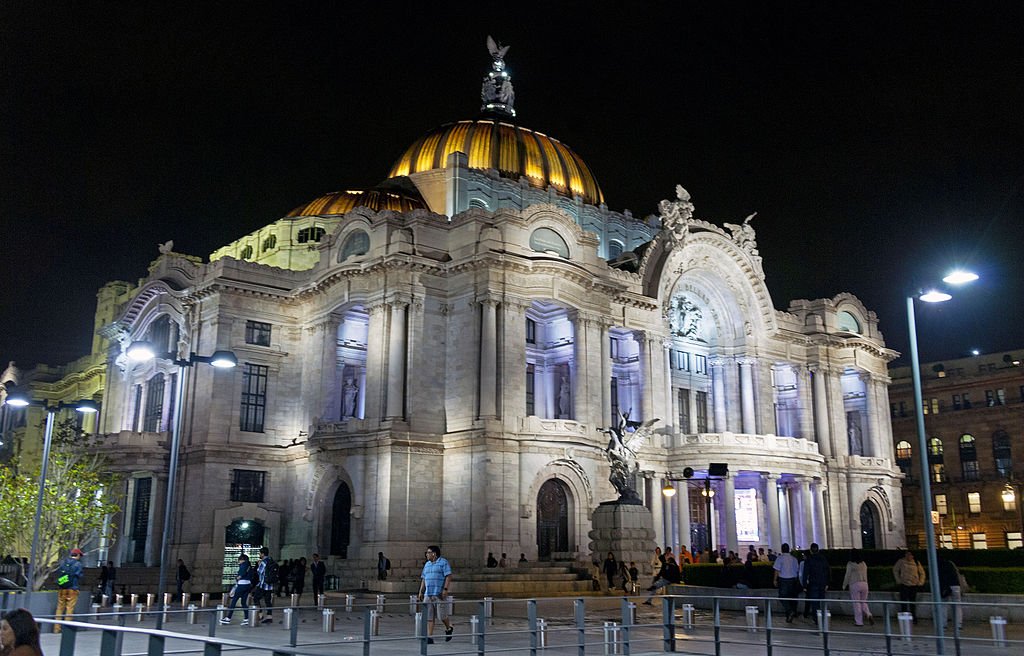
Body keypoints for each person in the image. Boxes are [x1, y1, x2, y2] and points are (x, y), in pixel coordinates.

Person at [418, 545, 453, 644]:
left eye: (428, 553)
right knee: (429, 616)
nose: (426, 555)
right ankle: (429, 637)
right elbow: (424, 578)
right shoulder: (427, 564)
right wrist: (421, 591)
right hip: (428, 594)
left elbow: (448, 576)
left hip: (439, 593)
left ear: (434, 554)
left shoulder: (443, 562)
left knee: (441, 616)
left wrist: (445, 589)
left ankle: (449, 628)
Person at [53, 548, 84, 633]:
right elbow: (79, 575)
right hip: (72, 589)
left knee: (59, 608)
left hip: (62, 588)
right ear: (77, 555)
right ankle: (67, 629)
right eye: (79, 556)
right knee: (69, 608)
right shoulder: (78, 564)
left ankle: (56, 629)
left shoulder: (63, 563)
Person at [842, 549, 873, 626]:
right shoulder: (863, 563)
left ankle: (859, 622)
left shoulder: (850, 564)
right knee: (864, 601)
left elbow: (847, 575)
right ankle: (868, 614)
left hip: (855, 584)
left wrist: (844, 585)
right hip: (865, 584)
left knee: (856, 604)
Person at [221, 554, 254, 625]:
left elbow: (242, 573)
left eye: (239, 560)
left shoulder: (244, 565)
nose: (239, 562)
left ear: (242, 560)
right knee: (243, 602)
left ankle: (228, 618)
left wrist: (237, 578)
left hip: (241, 585)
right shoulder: (250, 566)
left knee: (234, 601)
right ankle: (246, 618)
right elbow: (252, 576)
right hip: (248, 585)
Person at [893, 550, 925, 620]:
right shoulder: (901, 561)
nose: (909, 556)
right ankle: (904, 617)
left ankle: (913, 617)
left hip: (914, 584)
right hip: (904, 584)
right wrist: (898, 580)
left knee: (912, 602)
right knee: (903, 602)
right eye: (907, 554)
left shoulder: (916, 562)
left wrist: (920, 582)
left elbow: (922, 573)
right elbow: (895, 570)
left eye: (910, 555)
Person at [802, 543, 830, 624]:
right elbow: (827, 571)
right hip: (822, 583)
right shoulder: (823, 558)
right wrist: (827, 583)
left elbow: (805, 573)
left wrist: (804, 585)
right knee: (822, 600)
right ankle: (824, 617)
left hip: (813, 583)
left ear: (811, 550)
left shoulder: (809, 559)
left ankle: (817, 619)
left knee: (815, 603)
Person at [773, 543, 800, 623]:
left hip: (784, 580)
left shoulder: (780, 558)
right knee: (792, 598)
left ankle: (789, 611)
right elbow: (797, 570)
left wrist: (775, 580)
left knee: (782, 597)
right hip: (793, 580)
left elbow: (777, 570)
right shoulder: (794, 559)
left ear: (782, 549)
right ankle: (790, 614)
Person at [937, 556, 965, 631]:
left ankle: (943, 625)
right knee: (957, 605)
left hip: (946, 586)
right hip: (956, 585)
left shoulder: (939, 565)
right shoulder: (951, 564)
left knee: (943, 605)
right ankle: (958, 625)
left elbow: (941, 578)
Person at [255, 547, 276, 624]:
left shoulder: (263, 562)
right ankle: (269, 616)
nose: (260, 555)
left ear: (263, 554)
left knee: (256, 599)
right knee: (268, 601)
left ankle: (260, 614)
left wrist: (259, 565)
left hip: (263, 585)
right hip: (270, 585)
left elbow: (259, 572)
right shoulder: (271, 560)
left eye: (260, 553)